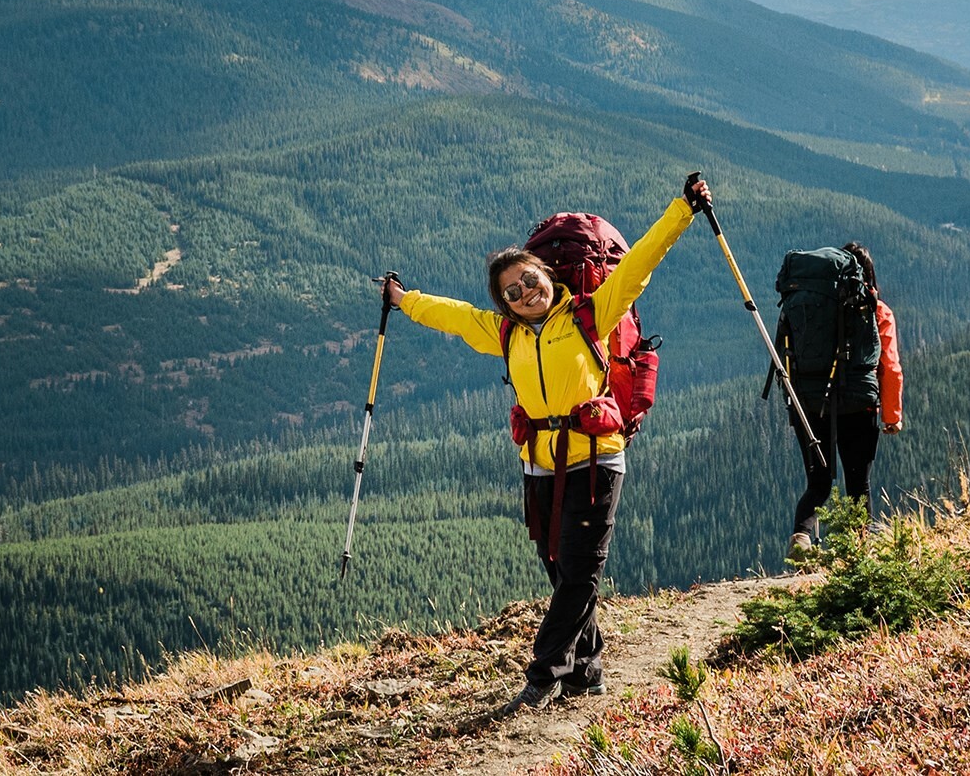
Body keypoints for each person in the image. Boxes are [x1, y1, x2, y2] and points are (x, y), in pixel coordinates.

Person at [380, 174, 712, 717]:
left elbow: (640, 264)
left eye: (528, 280)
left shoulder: (592, 313)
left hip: (596, 459)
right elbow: (452, 315)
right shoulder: (504, 332)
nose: (524, 293)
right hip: (538, 465)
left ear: (547, 274)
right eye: (511, 291)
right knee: (559, 567)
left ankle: (543, 677)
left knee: (580, 571)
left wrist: (683, 209)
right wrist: (403, 299)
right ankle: (588, 671)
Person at [787, 241, 904, 551]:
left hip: (811, 402)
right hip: (859, 404)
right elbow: (889, 368)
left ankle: (801, 536)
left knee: (819, 482)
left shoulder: (807, 304)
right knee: (857, 484)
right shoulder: (877, 310)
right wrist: (892, 416)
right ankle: (858, 551)